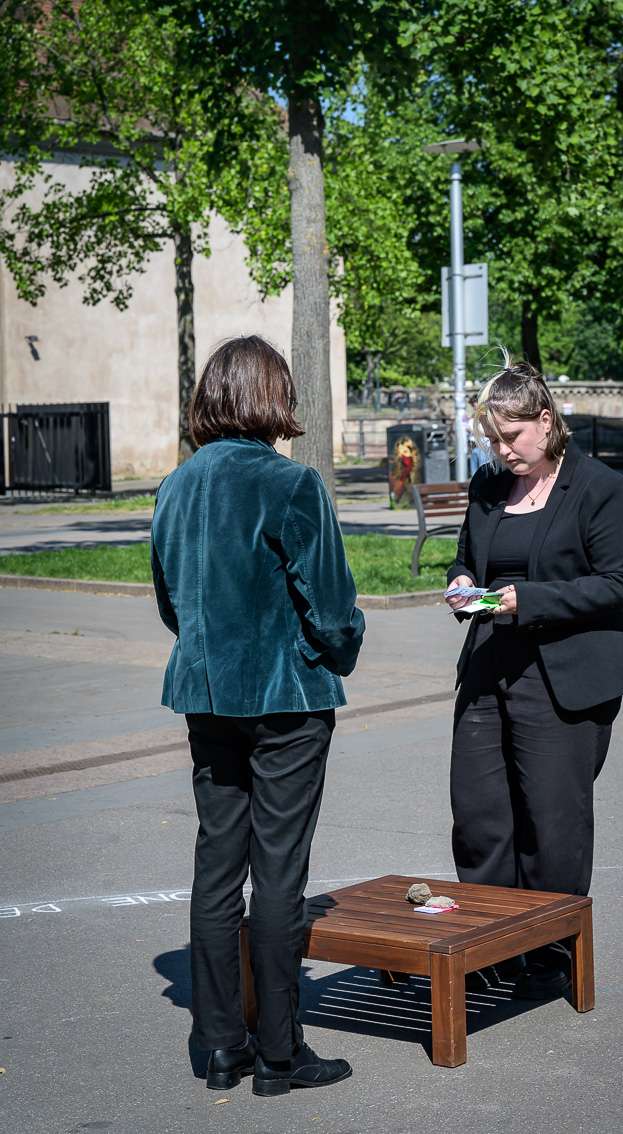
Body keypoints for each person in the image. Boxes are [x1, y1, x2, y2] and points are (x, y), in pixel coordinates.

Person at [151, 336, 365, 1097]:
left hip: (206, 694)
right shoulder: (291, 484)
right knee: (278, 873)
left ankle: (217, 1043)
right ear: (271, 397)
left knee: (217, 867)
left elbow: (170, 602)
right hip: (284, 698)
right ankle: (279, 1049)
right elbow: (333, 609)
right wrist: (340, 653)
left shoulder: (174, 487)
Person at [445, 353, 623, 999]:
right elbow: (467, 556)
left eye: (512, 436)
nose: (502, 451)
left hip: (562, 678)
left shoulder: (598, 488)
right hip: (488, 667)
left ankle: (546, 950)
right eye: (491, 439)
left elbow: (619, 583)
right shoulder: (484, 486)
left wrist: (526, 601)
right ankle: (486, 944)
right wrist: (464, 584)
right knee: (479, 820)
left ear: (545, 420)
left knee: (551, 824)